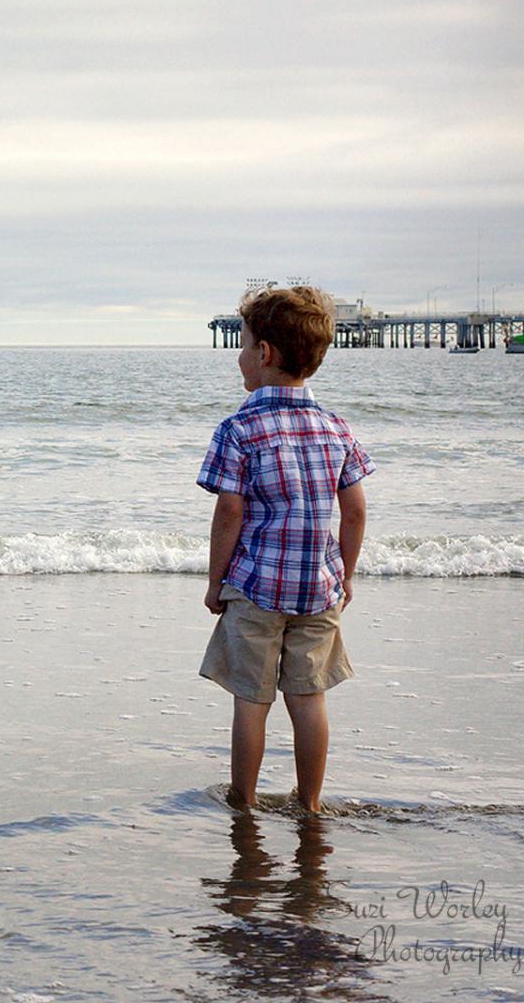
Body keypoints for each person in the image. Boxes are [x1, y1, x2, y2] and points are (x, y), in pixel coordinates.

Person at [196, 285, 372, 813]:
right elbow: (356, 509)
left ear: (265, 353)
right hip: (319, 591)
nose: (239, 355)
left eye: (244, 344)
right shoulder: (335, 427)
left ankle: (244, 801)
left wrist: (214, 581)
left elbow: (230, 512)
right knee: (309, 698)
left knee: (251, 701)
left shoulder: (239, 429)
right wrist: (346, 575)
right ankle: (311, 802)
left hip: (255, 589)